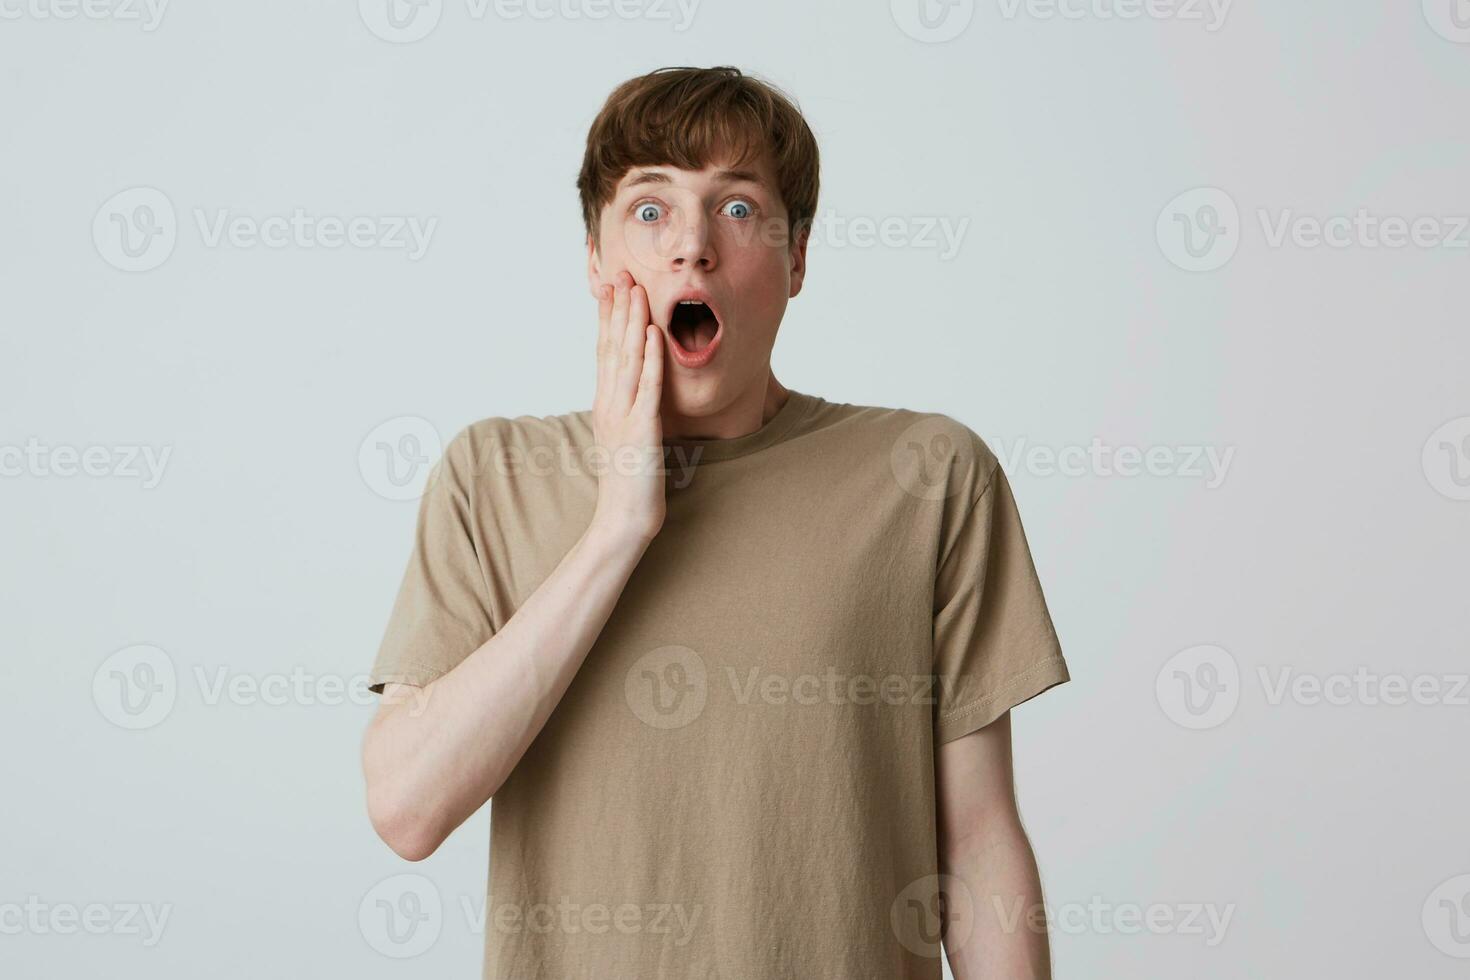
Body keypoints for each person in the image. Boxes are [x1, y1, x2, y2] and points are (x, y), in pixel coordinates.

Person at [361, 65, 1071, 979]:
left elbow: (977, 841)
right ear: (594, 258)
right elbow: (408, 810)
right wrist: (617, 526)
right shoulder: (492, 477)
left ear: (798, 258)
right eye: (649, 210)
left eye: (738, 210)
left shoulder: (930, 478)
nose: (691, 247)